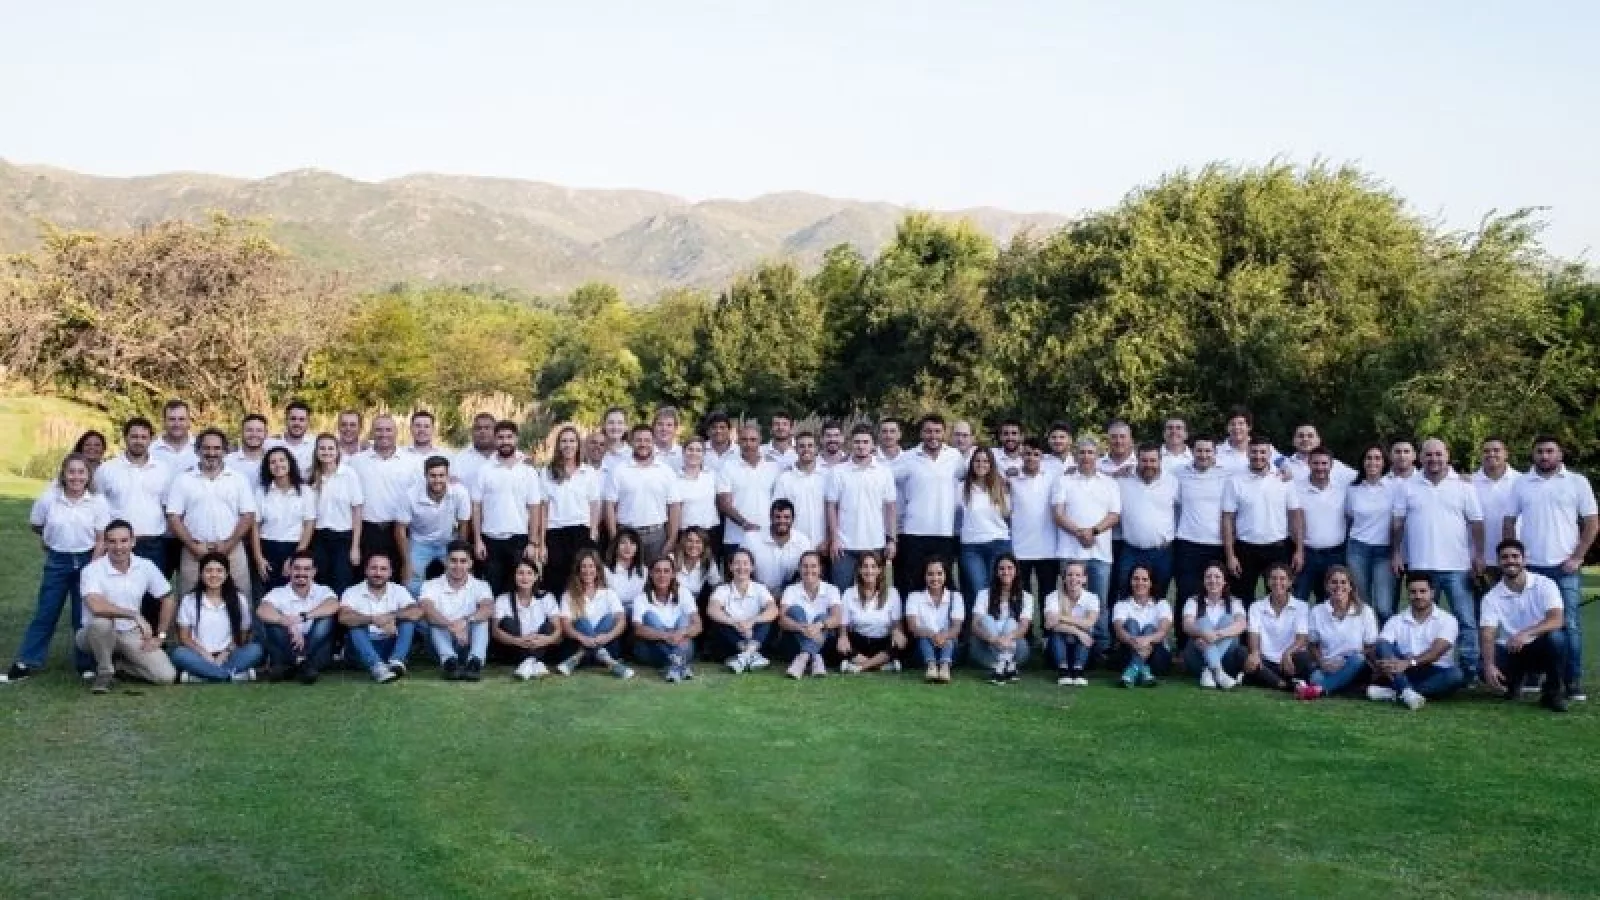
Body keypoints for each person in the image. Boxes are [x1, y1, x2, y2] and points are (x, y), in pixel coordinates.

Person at [1503, 435, 1597, 702]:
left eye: (1549, 451)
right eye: (1539, 451)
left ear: (1560, 454)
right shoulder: (1522, 483)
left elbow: (1592, 523)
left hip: (1564, 567)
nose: (1544, 456)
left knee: (1570, 625)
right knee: (1531, 623)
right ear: (1533, 455)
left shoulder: (1577, 482)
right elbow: (1509, 522)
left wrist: (1578, 557)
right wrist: (1515, 558)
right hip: (1531, 568)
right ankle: (1534, 676)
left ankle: (1571, 681)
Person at [6, 453, 110, 681]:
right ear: (63, 474)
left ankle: (85, 664)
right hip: (58, 562)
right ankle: (26, 661)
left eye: (81, 472)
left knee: (82, 616)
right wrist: (50, 540)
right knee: (46, 612)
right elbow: (37, 524)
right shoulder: (49, 499)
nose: (76, 477)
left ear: (88, 475)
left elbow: (101, 538)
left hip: (87, 560)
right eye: (71, 472)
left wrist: (92, 567)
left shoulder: (98, 502)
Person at [1391, 438, 1485, 681]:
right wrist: (1396, 553)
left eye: (1438, 454)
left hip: (1457, 567)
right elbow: (1398, 523)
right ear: (1421, 457)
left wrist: (1479, 555)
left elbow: (1476, 523)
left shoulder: (1464, 486)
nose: (1433, 459)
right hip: (1420, 568)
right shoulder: (1407, 486)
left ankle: (1469, 673)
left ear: (1447, 455)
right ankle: (1420, 668)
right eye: (1429, 454)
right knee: (1420, 621)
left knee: (1466, 621)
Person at [73, 519, 177, 692]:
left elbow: (168, 597)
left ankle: (120, 666)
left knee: (166, 676)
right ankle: (104, 673)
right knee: (101, 623)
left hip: (131, 633)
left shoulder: (145, 566)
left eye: (124, 541)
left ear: (133, 541)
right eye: (112, 541)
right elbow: (96, 606)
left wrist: (161, 635)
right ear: (105, 544)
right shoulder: (92, 570)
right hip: (94, 634)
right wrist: (134, 615)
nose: (118, 547)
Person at [166, 429, 257, 601]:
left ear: (225, 451)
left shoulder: (238, 479)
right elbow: (173, 517)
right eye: (206, 448)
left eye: (217, 448)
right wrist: (193, 547)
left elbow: (247, 515)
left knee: (240, 600)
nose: (211, 453)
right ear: (197, 450)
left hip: (232, 550)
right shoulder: (183, 479)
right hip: (194, 551)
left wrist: (229, 545)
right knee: (189, 601)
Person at [1479, 539, 1570, 712]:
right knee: (1482, 667)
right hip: (1511, 650)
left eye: (1515, 556)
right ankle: (1513, 683)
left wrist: (1526, 634)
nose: (1510, 561)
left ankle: (1553, 693)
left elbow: (1557, 620)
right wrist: (1489, 665)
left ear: (1524, 560)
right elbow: (1487, 634)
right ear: (1498, 562)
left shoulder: (1545, 584)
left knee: (1557, 637)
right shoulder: (1491, 597)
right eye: (1505, 557)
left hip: (1540, 646)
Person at [1053, 436, 1120, 653]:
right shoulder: (1064, 481)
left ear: (1098, 456)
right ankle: (1070, 644)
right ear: (1075, 455)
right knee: (1069, 602)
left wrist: (1093, 532)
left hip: (1100, 554)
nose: (1086, 457)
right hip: (1070, 552)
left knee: (1099, 602)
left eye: (1091, 452)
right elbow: (1058, 514)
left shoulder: (1110, 483)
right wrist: (1079, 533)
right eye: (1082, 452)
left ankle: (1100, 648)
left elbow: (1114, 515)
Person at [1222, 435, 1304, 602]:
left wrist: (1299, 550)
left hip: (1278, 548)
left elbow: (1295, 516)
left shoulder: (1284, 479)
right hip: (1245, 549)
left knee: (1279, 598)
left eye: (1262, 452)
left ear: (1269, 454)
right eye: (1254, 452)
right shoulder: (1235, 480)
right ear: (1247, 453)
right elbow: (1227, 518)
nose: (1258, 456)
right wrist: (1230, 555)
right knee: (1241, 599)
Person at [1368, 573, 1466, 710]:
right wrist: (1386, 662)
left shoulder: (1447, 620)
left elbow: (1436, 653)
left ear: (1432, 593)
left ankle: (1396, 691)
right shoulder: (1396, 620)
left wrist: (1409, 662)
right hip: (1403, 670)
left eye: (1423, 591)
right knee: (1382, 644)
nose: (1418, 596)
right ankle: (1407, 692)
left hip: (1434, 670)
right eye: (1413, 592)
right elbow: (1383, 645)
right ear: (1408, 594)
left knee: (1456, 675)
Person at [895, 414, 964, 598]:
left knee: (944, 585)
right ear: (921, 433)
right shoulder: (908, 457)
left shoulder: (955, 456)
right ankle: (911, 617)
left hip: (944, 532)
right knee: (913, 584)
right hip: (914, 533)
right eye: (928, 431)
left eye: (937, 431)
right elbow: (887, 481)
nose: (933, 436)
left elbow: (967, 478)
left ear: (944, 433)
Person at [470, 421, 541, 597]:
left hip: (519, 540)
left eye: (509, 437)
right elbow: (476, 507)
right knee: (492, 590)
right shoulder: (484, 470)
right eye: (500, 437)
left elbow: (534, 508)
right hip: (491, 540)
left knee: (518, 590)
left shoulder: (528, 470)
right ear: (495, 440)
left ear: (516, 439)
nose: (505, 441)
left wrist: (533, 542)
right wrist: (478, 540)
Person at [169, 552, 263, 683]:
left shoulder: (239, 599)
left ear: (226, 574)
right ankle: (230, 675)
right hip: (199, 655)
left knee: (255, 650)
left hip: (229, 655)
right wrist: (204, 654)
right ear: (201, 574)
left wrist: (225, 653)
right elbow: (184, 637)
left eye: (219, 571)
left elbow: (242, 637)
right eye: (208, 571)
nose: (214, 575)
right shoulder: (189, 600)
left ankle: (202, 677)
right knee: (178, 653)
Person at [92, 417, 173, 568]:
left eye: (143, 437)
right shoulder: (107, 469)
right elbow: (96, 505)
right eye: (134, 436)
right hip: (117, 545)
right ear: (125, 438)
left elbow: (167, 506)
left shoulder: (163, 469)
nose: (139, 441)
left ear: (151, 439)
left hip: (153, 544)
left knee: (153, 584)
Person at [824, 424, 898, 589]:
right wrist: (834, 539)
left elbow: (891, 508)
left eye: (865, 442)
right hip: (844, 546)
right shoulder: (838, 471)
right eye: (857, 442)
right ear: (850, 443)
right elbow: (831, 506)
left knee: (874, 594)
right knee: (841, 592)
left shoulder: (884, 472)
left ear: (873, 445)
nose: (861, 446)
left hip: (875, 544)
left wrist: (892, 540)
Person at [1173, 437, 1228, 639]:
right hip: (1187, 543)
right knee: (1186, 593)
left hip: (1217, 545)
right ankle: (1183, 643)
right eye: (1199, 450)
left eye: (1208, 451)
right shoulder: (1179, 473)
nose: (1203, 455)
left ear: (1215, 453)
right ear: (1192, 451)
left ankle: (1217, 638)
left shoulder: (1226, 474)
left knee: (1216, 594)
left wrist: (1284, 469)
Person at [255, 550, 338, 683]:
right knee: (274, 625)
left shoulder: (323, 590)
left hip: (314, 647)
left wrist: (303, 617)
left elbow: (333, 605)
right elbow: (262, 610)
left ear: (314, 572)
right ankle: (302, 665)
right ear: (290, 570)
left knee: (326, 620)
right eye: (297, 568)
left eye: (307, 569)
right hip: (288, 645)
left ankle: (293, 666)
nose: (301, 573)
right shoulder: (279, 592)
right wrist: (287, 622)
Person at [337, 553, 421, 684]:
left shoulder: (399, 590)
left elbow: (417, 612)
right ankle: (377, 666)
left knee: (408, 622)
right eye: (374, 568)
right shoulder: (352, 591)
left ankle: (396, 662)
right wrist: (372, 619)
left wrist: (391, 617)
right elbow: (343, 617)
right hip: (362, 649)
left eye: (383, 569)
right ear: (366, 570)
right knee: (355, 626)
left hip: (389, 646)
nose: (378, 573)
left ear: (390, 572)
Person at [538, 424, 601, 597]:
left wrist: (593, 531)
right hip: (555, 533)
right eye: (564, 441)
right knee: (556, 581)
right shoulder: (547, 473)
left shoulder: (588, 472)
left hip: (581, 532)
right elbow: (544, 508)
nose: (568, 445)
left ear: (578, 444)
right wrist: (542, 543)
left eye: (572, 441)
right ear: (558, 445)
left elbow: (594, 504)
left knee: (581, 578)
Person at [349, 414, 418, 570]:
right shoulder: (356, 461)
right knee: (363, 574)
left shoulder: (411, 462)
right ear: (372, 432)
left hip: (400, 530)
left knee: (399, 574)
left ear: (396, 432)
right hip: (367, 530)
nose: (384, 434)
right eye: (379, 430)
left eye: (388, 429)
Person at [604, 424, 681, 563]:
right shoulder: (619, 471)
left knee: (656, 575)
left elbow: (674, 506)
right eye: (638, 440)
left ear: (653, 442)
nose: (643, 444)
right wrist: (614, 538)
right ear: (631, 442)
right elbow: (610, 505)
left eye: (647, 440)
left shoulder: (666, 471)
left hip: (657, 536)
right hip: (627, 535)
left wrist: (671, 539)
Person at [419, 541, 493, 680]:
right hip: (439, 645)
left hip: (467, 642)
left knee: (481, 620)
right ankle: (449, 663)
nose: (458, 566)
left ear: (470, 563)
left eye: (463, 561)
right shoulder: (430, 585)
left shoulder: (481, 585)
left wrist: (465, 621)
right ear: (446, 562)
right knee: (434, 620)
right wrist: (451, 626)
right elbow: (426, 609)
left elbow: (488, 608)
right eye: (453, 560)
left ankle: (475, 663)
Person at [555, 549, 634, 679]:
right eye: (583, 566)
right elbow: (566, 625)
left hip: (607, 645)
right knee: (582, 621)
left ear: (597, 569)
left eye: (591, 566)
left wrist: (608, 636)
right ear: (578, 570)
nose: (587, 570)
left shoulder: (609, 593)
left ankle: (580, 656)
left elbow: (622, 621)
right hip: (577, 645)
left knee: (609, 619)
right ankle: (608, 661)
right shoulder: (569, 595)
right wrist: (582, 638)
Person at [1302, 565, 1377, 700]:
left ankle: (1319, 690)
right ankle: (1343, 687)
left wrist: (1345, 663)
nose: (1339, 586)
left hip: (1355, 664)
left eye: (1343, 582)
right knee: (1315, 677)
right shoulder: (1317, 611)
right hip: (1328, 665)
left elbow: (1370, 646)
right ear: (1327, 586)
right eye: (1334, 582)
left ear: (1350, 586)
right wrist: (1322, 662)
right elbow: (1312, 645)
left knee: (1358, 659)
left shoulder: (1365, 611)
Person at [400, 455, 473, 596]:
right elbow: (400, 529)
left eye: (441, 475)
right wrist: (406, 561)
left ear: (448, 475)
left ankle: (453, 604)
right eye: (433, 476)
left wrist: (462, 552)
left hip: (448, 541)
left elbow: (463, 525)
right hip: (420, 542)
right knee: (410, 580)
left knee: (462, 573)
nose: (437, 480)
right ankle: (417, 606)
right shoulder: (410, 495)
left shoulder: (460, 492)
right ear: (425, 476)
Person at [1114, 443, 1177, 601]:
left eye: (1153, 460)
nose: (1148, 464)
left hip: (1161, 552)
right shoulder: (1123, 480)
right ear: (1137, 460)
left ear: (1160, 460)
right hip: (1131, 550)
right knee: (1124, 592)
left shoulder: (1172, 482)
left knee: (1159, 595)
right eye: (1144, 460)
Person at [250, 447, 315, 596]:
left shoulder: (305, 491)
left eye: (282, 460)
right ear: (268, 467)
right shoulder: (261, 492)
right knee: (270, 595)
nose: (278, 465)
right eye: (272, 462)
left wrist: (295, 558)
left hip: (295, 547)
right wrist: (259, 558)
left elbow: (309, 525)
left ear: (290, 463)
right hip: (268, 548)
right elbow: (255, 526)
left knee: (294, 593)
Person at [1344, 444, 1397, 620]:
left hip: (1384, 551)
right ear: (1363, 462)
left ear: (1384, 463)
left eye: (1377, 458)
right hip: (1358, 549)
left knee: (1384, 607)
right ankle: (1366, 637)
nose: (1372, 462)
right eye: (1368, 458)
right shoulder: (1352, 489)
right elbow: (1349, 517)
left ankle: (1386, 637)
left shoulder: (1395, 487)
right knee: (1362, 603)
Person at [307, 433, 364, 596]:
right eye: (322, 448)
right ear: (316, 451)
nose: (326, 452)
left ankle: (340, 613)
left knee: (341, 583)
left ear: (337, 451)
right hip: (318, 538)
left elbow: (357, 511)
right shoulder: (310, 476)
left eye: (330, 448)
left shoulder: (349, 474)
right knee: (320, 584)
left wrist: (355, 547)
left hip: (343, 538)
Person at [706, 548, 778, 673]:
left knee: (766, 620)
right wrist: (735, 623)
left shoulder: (760, 588)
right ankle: (750, 655)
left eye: (745, 563)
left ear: (752, 567)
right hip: (732, 642)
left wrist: (752, 621)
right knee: (720, 622)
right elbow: (712, 610)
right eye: (737, 563)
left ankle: (744, 656)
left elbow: (773, 610)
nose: (741, 567)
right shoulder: (722, 589)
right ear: (730, 567)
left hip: (755, 638)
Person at [1009, 439, 1061, 611]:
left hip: (1048, 548)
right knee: (1022, 596)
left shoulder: (1052, 478)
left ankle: (1048, 628)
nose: (1031, 458)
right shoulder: (1012, 479)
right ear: (1021, 455)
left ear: (1042, 457)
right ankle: (1025, 627)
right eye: (1027, 454)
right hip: (1020, 547)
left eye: (1036, 454)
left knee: (1048, 596)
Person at [1242, 563, 1311, 692]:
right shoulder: (1256, 606)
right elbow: (1253, 634)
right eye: (1273, 578)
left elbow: (1302, 638)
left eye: (1282, 579)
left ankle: (1267, 679)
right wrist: (1255, 653)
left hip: (1288, 662)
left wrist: (1287, 653)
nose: (1277, 582)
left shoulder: (1301, 606)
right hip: (1264, 661)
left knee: (1304, 657)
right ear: (1268, 582)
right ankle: (1283, 685)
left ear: (1290, 582)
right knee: (1242, 653)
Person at [491, 560, 564, 681]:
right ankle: (534, 662)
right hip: (515, 647)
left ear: (536, 577)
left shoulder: (547, 597)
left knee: (550, 626)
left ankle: (528, 662)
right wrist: (517, 640)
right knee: (508, 622)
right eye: (520, 573)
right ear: (514, 576)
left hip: (540, 645)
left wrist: (547, 639)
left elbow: (558, 629)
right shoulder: (503, 599)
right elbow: (495, 631)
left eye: (529, 573)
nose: (525, 577)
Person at [957, 447, 1013, 604]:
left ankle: (996, 620)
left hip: (999, 544)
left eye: (986, 461)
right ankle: (978, 620)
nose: (981, 464)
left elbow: (1008, 515)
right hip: (972, 547)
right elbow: (955, 516)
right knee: (979, 590)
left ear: (991, 464)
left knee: (997, 590)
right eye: (977, 461)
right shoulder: (962, 488)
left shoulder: (1001, 487)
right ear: (972, 463)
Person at [717, 423, 783, 556]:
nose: (748, 444)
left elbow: (779, 502)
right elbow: (723, 503)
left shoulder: (773, 467)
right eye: (744, 439)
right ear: (738, 441)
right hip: (736, 538)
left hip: (766, 536)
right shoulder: (728, 466)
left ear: (760, 441)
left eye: (753, 440)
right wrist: (745, 524)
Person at [632, 556, 702, 682]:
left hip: (681, 642)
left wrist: (682, 632)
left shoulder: (684, 593)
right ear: (651, 574)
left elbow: (698, 625)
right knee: (650, 616)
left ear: (673, 574)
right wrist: (665, 635)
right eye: (657, 571)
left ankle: (674, 664)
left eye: (666, 571)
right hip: (652, 648)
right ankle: (681, 664)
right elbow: (638, 629)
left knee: (684, 618)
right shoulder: (641, 598)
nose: (662, 575)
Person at [1293, 447, 1349, 603]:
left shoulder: (1342, 488)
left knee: (1332, 602)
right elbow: (1295, 521)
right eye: (1315, 463)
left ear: (1331, 465)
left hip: (1335, 555)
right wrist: (1298, 551)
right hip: (1307, 554)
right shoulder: (1296, 488)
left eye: (1324, 463)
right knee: (1299, 599)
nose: (1320, 467)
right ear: (1308, 464)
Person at [836, 551, 904, 674]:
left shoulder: (892, 592)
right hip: (859, 642)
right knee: (840, 643)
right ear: (859, 570)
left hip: (882, 643)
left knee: (901, 642)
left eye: (873, 566)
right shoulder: (849, 593)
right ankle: (880, 665)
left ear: (879, 570)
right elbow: (843, 626)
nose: (869, 571)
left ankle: (860, 666)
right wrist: (843, 637)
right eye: (865, 566)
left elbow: (897, 625)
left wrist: (897, 633)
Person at [1180, 562, 1245, 690]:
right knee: (1202, 621)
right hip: (1197, 657)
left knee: (1228, 620)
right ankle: (1218, 672)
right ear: (1204, 581)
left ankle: (1210, 671)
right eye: (1208, 577)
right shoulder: (1193, 601)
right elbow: (1186, 625)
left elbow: (1241, 624)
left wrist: (1218, 634)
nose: (1213, 580)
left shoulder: (1234, 602)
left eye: (1217, 577)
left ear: (1224, 581)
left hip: (1227, 659)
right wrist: (1203, 633)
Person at [969, 553, 1033, 684]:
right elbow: (974, 626)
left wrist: (1008, 638)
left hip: (1016, 650)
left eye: (1010, 568)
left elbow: (1023, 627)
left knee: (1011, 622)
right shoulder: (984, 594)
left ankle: (1000, 667)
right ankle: (1006, 666)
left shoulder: (1026, 597)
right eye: (1001, 568)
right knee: (986, 619)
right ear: (996, 572)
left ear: (1016, 571)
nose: (1006, 572)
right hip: (986, 648)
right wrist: (993, 639)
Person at [777, 552, 841, 679]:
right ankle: (815, 658)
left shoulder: (832, 589)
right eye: (805, 566)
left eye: (813, 566)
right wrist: (801, 628)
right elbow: (782, 620)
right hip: (795, 643)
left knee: (823, 617)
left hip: (823, 642)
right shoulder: (790, 590)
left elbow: (837, 618)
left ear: (820, 569)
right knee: (796, 610)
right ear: (799, 569)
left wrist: (819, 625)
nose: (809, 570)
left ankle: (803, 658)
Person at [1111, 564, 1173, 687]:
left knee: (1150, 628)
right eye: (1136, 579)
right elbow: (1119, 631)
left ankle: (1133, 669)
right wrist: (1134, 643)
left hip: (1156, 655)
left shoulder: (1162, 604)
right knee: (1131, 623)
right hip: (1129, 650)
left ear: (1151, 583)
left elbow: (1162, 632)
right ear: (1130, 581)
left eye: (1145, 579)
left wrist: (1146, 640)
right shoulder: (1121, 604)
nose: (1140, 583)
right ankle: (1143, 672)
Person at [905, 557, 964, 684]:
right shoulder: (914, 596)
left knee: (948, 636)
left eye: (939, 573)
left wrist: (943, 636)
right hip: (923, 649)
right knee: (924, 636)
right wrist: (932, 634)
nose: (935, 578)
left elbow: (956, 628)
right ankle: (931, 666)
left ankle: (944, 667)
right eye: (930, 574)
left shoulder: (956, 596)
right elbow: (912, 627)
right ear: (924, 576)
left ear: (946, 575)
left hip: (949, 648)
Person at [1471, 437, 1520, 591]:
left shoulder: (1522, 481)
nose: (1491, 454)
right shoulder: (1469, 483)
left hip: (1515, 560)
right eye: (1486, 451)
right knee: (1483, 605)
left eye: (1496, 450)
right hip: (1482, 561)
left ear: (1506, 453)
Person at [1043, 561, 1099, 686]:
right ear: (1064, 578)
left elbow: (1089, 623)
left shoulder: (1092, 598)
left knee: (1086, 631)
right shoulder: (1053, 596)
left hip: (1083, 647)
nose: (1073, 578)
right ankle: (1063, 671)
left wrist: (1061, 617)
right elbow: (1050, 624)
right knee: (1057, 632)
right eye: (1069, 575)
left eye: (1078, 575)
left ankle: (1078, 670)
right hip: (1058, 648)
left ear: (1084, 579)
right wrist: (1078, 632)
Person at [746, 499, 813, 596]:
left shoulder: (803, 541)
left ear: (793, 519)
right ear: (770, 517)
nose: (782, 521)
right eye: (778, 517)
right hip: (757, 594)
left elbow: (809, 572)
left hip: (792, 595)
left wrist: (789, 593)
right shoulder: (751, 539)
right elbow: (741, 570)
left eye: (786, 517)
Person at [774, 431, 828, 551]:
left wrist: (828, 540)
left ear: (816, 449)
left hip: (823, 545)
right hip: (794, 545)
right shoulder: (785, 478)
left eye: (810, 445)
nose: (806, 449)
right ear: (796, 449)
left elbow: (834, 511)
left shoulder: (827, 476)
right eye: (802, 446)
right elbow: (777, 512)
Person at [674, 436, 723, 548]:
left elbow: (720, 501)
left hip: (710, 532)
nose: (694, 453)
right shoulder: (674, 478)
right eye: (690, 449)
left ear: (704, 453)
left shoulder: (712, 475)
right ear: (683, 452)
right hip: (685, 534)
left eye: (698, 450)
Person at [1281, 424, 1356, 484]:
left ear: (1318, 441)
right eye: (1301, 436)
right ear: (1293, 441)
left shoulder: (1336, 465)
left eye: (1310, 436)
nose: (1305, 439)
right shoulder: (1284, 465)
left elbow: (1358, 480)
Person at [674, 526, 724, 609]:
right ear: (683, 543)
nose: (694, 545)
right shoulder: (672, 559)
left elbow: (716, 585)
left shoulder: (708, 562)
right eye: (690, 541)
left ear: (704, 545)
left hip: (692, 607)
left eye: (698, 542)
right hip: (670, 604)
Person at [452, 412, 500, 491]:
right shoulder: (460, 459)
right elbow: (455, 490)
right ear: (472, 432)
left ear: (496, 431)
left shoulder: (509, 456)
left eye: (487, 428)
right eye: (478, 428)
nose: (483, 431)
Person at [606, 528, 647, 614]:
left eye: (632, 543)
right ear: (616, 546)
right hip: (613, 612)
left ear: (637, 548)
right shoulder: (605, 570)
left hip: (636, 612)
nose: (628, 547)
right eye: (623, 543)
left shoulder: (644, 570)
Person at [276, 399, 317, 474]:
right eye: (293, 419)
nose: (297, 423)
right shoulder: (272, 444)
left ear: (308, 422)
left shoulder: (315, 444)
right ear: (286, 420)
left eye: (302, 420)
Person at [224, 414, 270, 480]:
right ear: (242, 433)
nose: (254, 434)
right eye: (249, 430)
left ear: (266, 434)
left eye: (259, 430)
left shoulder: (273, 461)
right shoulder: (227, 461)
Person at [651, 404, 685, 473]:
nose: (664, 429)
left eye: (669, 425)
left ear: (676, 428)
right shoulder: (644, 453)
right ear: (653, 427)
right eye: (660, 424)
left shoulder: (684, 454)